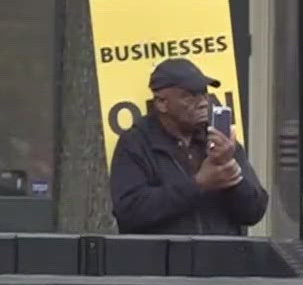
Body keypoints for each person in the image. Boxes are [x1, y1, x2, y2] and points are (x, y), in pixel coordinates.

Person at [109, 57, 269, 235]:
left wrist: (231, 173)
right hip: (163, 261)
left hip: (221, 259)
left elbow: (254, 212)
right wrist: (198, 185)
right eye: (189, 96)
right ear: (162, 103)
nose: (202, 102)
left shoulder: (220, 141)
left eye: (203, 93)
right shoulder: (136, 143)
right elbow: (129, 212)